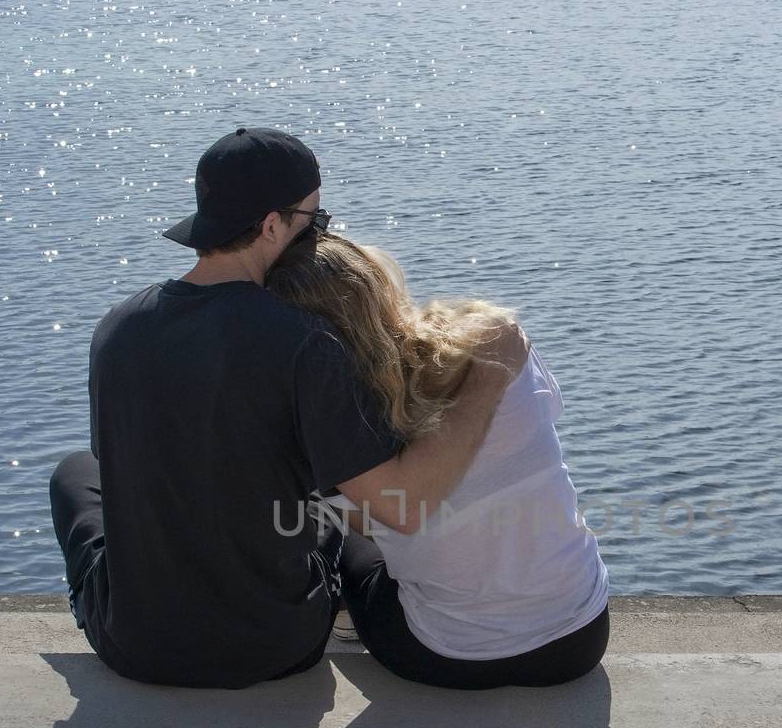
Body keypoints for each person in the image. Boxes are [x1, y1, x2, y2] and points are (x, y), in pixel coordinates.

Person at [47, 127, 529, 688]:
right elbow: (397, 508)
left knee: (76, 473)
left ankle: (117, 607)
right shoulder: (306, 342)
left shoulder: (118, 327)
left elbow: (128, 467)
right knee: (332, 513)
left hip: (136, 647)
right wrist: (482, 386)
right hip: (275, 644)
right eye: (316, 221)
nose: (322, 235)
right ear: (273, 224)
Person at [266, 233, 610, 690]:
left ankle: (347, 619)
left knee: (326, 522)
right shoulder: (495, 347)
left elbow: (375, 521)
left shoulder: (331, 417)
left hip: (445, 657)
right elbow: (547, 417)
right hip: (579, 638)